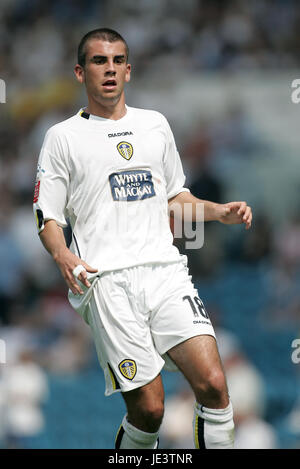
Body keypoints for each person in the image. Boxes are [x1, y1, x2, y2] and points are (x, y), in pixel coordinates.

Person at [33, 28, 252, 449]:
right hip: (108, 280)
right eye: (99, 61)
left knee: (214, 384)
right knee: (149, 411)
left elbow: (175, 197)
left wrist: (217, 211)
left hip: (165, 271)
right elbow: (48, 216)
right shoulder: (61, 137)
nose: (109, 69)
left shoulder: (155, 125)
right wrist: (62, 255)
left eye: (117, 61)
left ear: (129, 71)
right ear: (81, 72)